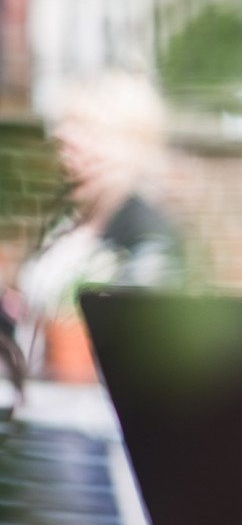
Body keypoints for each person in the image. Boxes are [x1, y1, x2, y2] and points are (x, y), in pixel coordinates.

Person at [4, 72, 184, 372]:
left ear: (131, 143)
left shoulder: (149, 237)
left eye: (86, 130)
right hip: (43, 405)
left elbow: (140, 338)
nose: (68, 146)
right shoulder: (64, 224)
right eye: (66, 132)